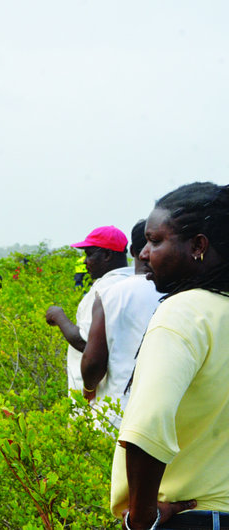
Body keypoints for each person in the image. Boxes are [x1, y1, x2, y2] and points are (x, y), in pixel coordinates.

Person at [110, 182, 229, 530]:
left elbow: (148, 426)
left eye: (155, 241)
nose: (144, 253)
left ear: (198, 246)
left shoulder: (183, 312)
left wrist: (142, 517)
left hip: (193, 516)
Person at [79, 220, 160, 429]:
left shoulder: (109, 294)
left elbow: (93, 360)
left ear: (134, 250)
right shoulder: (182, 293)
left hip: (118, 412)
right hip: (166, 414)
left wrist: (88, 389)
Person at [46, 226, 133, 396]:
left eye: (89, 254)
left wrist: (58, 315)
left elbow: (85, 343)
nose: (85, 261)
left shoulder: (101, 291)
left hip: (98, 395)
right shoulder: (137, 284)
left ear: (107, 255)